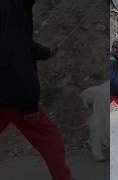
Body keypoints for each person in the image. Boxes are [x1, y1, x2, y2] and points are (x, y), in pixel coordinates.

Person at [0, 0, 72, 179]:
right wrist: (29, 104)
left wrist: (45, 52)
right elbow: (15, 56)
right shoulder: (14, 7)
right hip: (10, 93)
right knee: (48, 137)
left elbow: (18, 43)